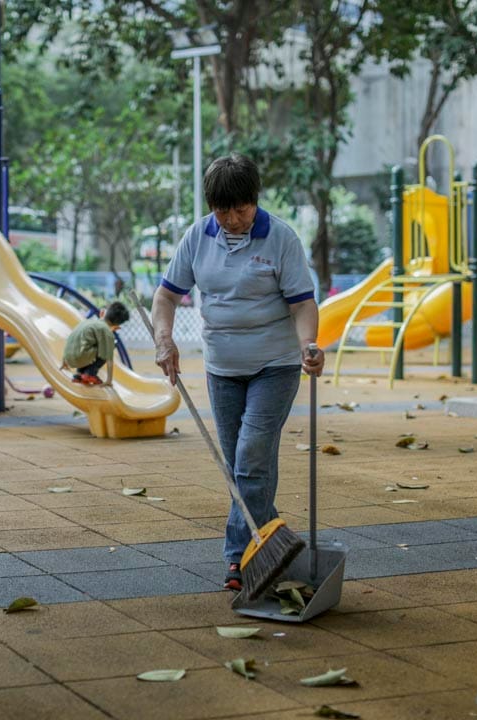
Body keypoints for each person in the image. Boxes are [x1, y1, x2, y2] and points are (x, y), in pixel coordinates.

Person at [151, 153, 324, 592]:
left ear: (256, 200)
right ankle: (271, 549)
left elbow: (303, 302)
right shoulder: (197, 237)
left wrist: (308, 345)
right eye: (221, 210)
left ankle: (237, 557)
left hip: (275, 365)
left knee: (250, 459)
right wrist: (163, 339)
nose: (231, 219)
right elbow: (166, 297)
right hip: (222, 368)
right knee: (244, 467)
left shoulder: (280, 238)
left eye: (241, 209)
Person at [62, 301, 130, 386]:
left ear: (103, 313)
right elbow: (109, 360)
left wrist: (64, 362)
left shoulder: (87, 322)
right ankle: (90, 374)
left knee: (88, 345)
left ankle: (79, 375)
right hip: (81, 358)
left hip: (69, 358)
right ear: (117, 326)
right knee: (108, 347)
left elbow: (72, 338)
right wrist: (109, 381)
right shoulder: (106, 331)